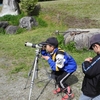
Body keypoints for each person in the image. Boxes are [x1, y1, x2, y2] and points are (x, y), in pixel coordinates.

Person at [79, 34, 100, 100]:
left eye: (93, 48)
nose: (94, 50)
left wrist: (86, 62)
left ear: (96, 46)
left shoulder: (99, 59)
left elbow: (87, 70)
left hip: (92, 90)